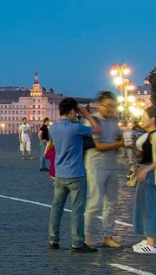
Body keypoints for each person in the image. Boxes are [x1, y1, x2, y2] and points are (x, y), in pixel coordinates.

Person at [47, 98, 101, 252]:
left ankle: (53, 239)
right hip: (76, 174)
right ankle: (77, 242)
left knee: (56, 207)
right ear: (72, 111)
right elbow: (97, 130)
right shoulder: (76, 128)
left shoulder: (53, 128)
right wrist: (86, 114)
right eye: (75, 112)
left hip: (59, 173)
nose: (76, 115)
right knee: (77, 210)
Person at [84, 92, 127, 249]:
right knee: (95, 202)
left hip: (112, 164)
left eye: (113, 106)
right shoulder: (93, 121)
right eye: (107, 106)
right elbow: (99, 146)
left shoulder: (114, 121)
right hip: (96, 164)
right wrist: (121, 144)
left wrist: (124, 140)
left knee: (112, 202)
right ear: (99, 104)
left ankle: (108, 236)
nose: (110, 109)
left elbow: (118, 138)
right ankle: (87, 237)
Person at [131, 107, 156, 253]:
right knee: (146, 206)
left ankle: (151, 243)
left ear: (153, 119)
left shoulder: (154, 135)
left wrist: (146, 170)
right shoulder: (149, 135)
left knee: (149, 207)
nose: (143, 119)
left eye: (145, 116)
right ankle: (149, 239)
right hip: (148, 172)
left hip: (150, 174)